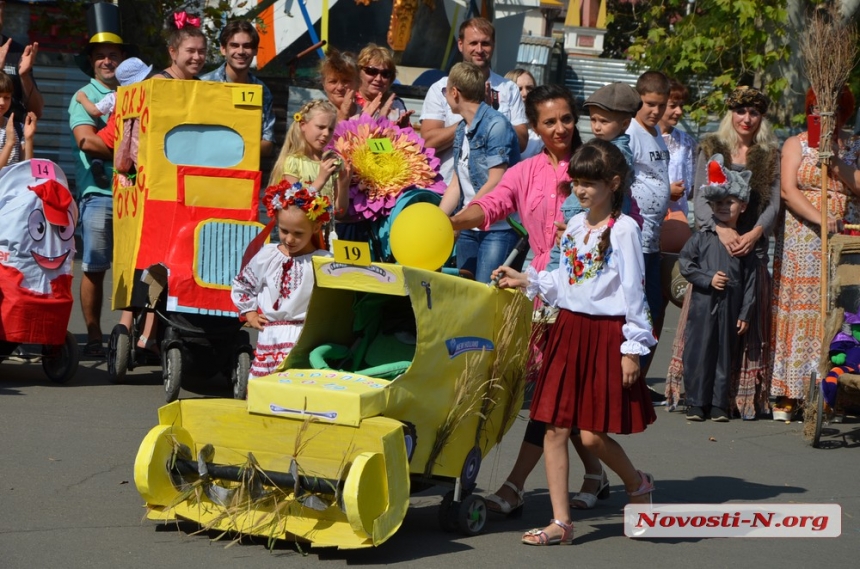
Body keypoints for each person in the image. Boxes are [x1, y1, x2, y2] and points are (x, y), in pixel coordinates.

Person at [449, 84, 608, 515]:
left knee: (550, 396)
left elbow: (619, 219)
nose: (560, 128)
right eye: (550, 122)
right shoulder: (527, 169)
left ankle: (515, 486)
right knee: (556, 395)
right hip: (539, 291)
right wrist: (450, 223)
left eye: (567, 119)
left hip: (584, 294)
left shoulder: (595, 162)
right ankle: (598, 473)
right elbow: (494, 203)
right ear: (535, 127)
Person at [493, 139, 656, 546]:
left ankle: (637, 482)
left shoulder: (625, 230)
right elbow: (567, 282)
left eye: (590, 183)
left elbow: (635, 292)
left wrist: (632, 348)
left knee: (592, 435)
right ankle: (561, 522)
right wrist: (527, 278)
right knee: (554, 428)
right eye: (577, 182)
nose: (581, 190)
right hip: (568, 329)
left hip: (605, 335)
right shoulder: (577, 227)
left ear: (614, 183)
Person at [665, 86, 780, 419]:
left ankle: (728, 400)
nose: (747, 118)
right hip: (713, 251)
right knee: (703, 331)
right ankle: (698, 396)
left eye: (754, 112)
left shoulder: (770, 154)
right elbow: (700, 198)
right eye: (741, 111)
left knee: (741, 327)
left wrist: (756, 232)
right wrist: (722, 229)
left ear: (762, 117)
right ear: (731, 113)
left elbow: (774, 204)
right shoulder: (711, 148)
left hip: (750, 252)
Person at [771, 86, 860, 420]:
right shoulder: (796, 143)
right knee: (802, 308)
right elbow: (788, 189)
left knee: (837, 307)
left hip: (846, 237)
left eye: (833, 110)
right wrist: (822, 219)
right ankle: (791, 390)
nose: (825, 117)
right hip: (804, 238)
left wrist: (836, 163)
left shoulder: (854, 145)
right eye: (817, 110)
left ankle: (833, 386)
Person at [68, 2, 131, 357]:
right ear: (92, 61)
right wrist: (130, 155)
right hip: (99, 194)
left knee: (136, 266)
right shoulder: (86, 96)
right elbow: (87, 141)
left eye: (114, 55)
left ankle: (125, 335)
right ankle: (94, 337)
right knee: (94, 266)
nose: (108, 61)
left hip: (134, 194)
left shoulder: (134, 92)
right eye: (101, 56)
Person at [680, 155, 757, 422]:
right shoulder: (702, 237)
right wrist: (708, 278)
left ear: (743, 206)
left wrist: (745, 313)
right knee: (699, 351)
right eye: (718, 203)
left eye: (730, 202)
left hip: (732, 306)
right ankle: (694, 402)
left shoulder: (744, 244)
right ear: (710, 205)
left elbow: (751, 282)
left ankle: (718, 404)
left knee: (725, 354)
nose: (724, 207)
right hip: (703, 305)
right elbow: (685, 264)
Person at [231, 183, 333, 382]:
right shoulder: (268, 255)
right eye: (284, 230)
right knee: (265, 387)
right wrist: (249, 312)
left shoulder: (324, 261)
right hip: (271, 334)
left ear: (316, 227)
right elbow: (244, 284)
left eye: (298, 233)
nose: (289, 239)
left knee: (296, 386)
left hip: (304, 335)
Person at [545, 81, 640, 273]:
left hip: (593, 217)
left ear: (625, 124)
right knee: (561, 257)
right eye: (593, 119)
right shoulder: (599, 145)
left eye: (604, 121)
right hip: (580, 214)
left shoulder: (617, 152)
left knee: (571, 262)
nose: (596, 127)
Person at [439, 62, 521, 283]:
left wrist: (462, 217)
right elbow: (456, 182)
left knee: (486, 294)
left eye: (445, 90)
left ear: (454, 93)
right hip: (468, 227)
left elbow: (497, 180)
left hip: (498, 229)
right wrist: (438, 220)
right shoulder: (461, 129)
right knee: (466, 291)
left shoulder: (496, 126)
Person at [421, 17, 528, 183]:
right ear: (460, 44)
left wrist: (490, 116)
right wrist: (472, 116)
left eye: (485, 43)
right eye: (473, 43)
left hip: (494, 190)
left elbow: (521, 143)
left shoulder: (509, 89)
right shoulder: (441, 89)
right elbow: (428, 142)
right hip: (447, 186)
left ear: (493, 45)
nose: (479, 49)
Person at [626, 70, 670, 373]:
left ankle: (639, 376)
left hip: (654, 238)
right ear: (637, 99)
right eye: (649, 104)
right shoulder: (631, 133)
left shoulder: (656, 134)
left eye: (661, 105)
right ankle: (629, 373)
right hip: (636, 237)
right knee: (642, 308)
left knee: (655, 306)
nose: (655, 111)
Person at [200, 20, 275, 157]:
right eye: (234, 45)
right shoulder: (203, 85)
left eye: (247, 46)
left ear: (255, 50)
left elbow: (267, 143)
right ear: (223, 49)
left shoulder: (262, 91)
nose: (240, 51)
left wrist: (231, 147)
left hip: (246, 172)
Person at [268, 99, 349, 219]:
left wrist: (344, 184)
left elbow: (339, 212)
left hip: (323, 233)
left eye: (331, 129)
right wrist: (321, 179)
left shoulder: (329, 163)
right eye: (321, 127)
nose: (326, 133)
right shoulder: (293, 161)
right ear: (303, 126)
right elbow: (294, 206)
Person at [659, 79, 697, 254]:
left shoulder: (686, 142)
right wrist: (666, 191)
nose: (679, 111)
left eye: (681, 106)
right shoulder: (638, 136)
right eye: (673, 105)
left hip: (676, 220)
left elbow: (692, 186)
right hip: (644, 218)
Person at [0, 1, 44, 118]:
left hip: (13, 133)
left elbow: (36, 112)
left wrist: (24, 76)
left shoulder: (18, 51)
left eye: (0, 6)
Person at [355, 43, 412, 127]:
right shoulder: (349, 102)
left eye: (385, 74)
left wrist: (402, 129)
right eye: (372, 71)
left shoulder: (396, 105)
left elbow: (410, 138)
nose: (378, 79)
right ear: (358, 72)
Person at [504, 69, 543, 159]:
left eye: (530, 88)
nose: (525, 93)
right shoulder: (499, 126)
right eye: (519, 89)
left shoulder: (541, 132)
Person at [157, 11, 206, 80]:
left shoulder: (200, 84)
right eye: (190, 51)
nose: (197, 57)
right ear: (173, 52)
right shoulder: (158, 83)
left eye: (201, 51)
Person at [0, 71, 35, 167]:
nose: (2, 102)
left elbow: (26, 168)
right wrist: (9, 143)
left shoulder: (18, 127)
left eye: (6, 97)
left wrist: (29, 139)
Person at [320, 49, 361, 122]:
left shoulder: (368, 114)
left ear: (358, 83)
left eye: (346, 81)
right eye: (333, 81)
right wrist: (342, 116)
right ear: (323, 84)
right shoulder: (314, 115)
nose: (339, 88)